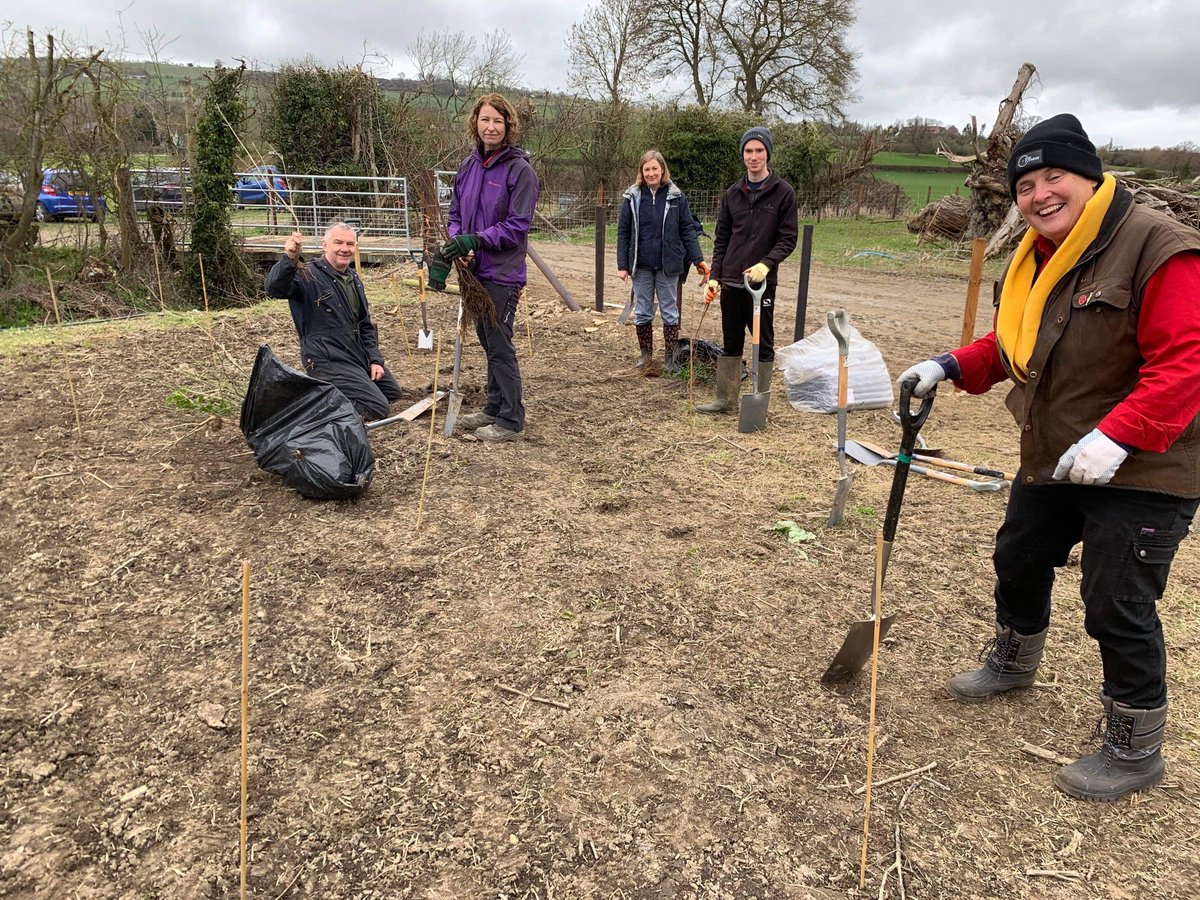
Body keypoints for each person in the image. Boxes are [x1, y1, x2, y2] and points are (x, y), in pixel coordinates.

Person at [896, 113, 1200, 802]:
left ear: (1089, 177)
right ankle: (1013, 660)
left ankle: (1135, 746)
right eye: (1025, 185)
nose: (1039, 195)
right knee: (1020, 556)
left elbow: (1187, 363)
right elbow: (1016, 345)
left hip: (1148, 464)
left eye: (1053, 176)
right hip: (1059, 451)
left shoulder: (1159, 247)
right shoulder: (1036, 256)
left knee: (1116, 599)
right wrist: (948, 364)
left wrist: (1119, 436)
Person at [442, 92, 539, 442]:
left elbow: (517, 226)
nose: (491, 127)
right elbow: (455, 214)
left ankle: (511, 420)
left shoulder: (519, 171)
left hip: (502, 273)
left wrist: (476, 241)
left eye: (498, 121)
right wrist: (459, 241)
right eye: (485, 119)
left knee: (499, 344)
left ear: (508, 126)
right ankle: (494, 406)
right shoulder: (467, 167)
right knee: (487, 341)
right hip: (473, 272)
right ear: (476, 123)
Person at [698, 126, 798, 413]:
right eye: (748, 151)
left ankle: (759, 400)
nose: (753, 157)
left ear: (767, 154)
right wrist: (715, 277)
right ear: (743, 155)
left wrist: (767, 263)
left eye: (759, 151)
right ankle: (726, 399)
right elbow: (722, 240)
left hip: (761, 285)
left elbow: (788, 239)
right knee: (731, 341)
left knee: (762, 342)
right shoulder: (732, 195)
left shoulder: (783, 193)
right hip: (731, 281)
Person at [265, 222, 404, 420]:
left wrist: (374, 360)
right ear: (325, 245)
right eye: (338, 243)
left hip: (354, 354)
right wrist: (289, 259)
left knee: (391, 392)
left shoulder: (353, 278)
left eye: (350, 244)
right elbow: (275, 289)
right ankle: (313, 409)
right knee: (376, 407)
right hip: (327, 358)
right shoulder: (307, 275)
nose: (345, 249)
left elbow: (365, 325)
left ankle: (335, 391)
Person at [615, 150, 706, 371]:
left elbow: (687, 229)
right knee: (643, 311)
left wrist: (698, 260)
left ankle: (669, 358)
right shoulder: (632, 197)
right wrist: (623, 265)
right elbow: (623, 231)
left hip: (668, 265)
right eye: (647, 169)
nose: (651, 173)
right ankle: (645, 356)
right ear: (641, 172)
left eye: (655, 168)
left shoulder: (676, 197)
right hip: (641, 265)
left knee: (669, 311)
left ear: (662, 170)